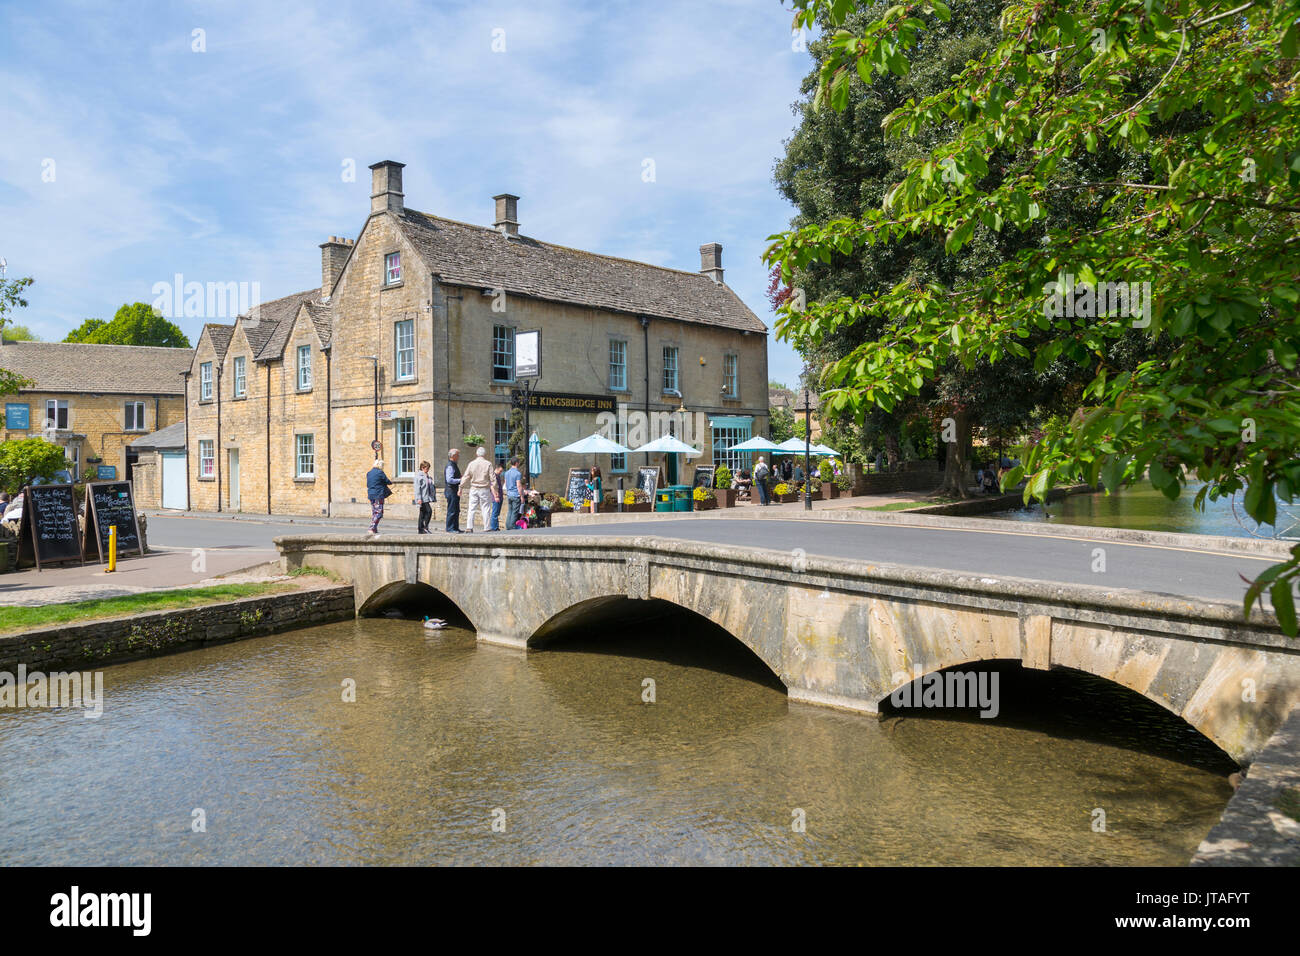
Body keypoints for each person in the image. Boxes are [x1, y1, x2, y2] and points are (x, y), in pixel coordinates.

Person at [462, 446, 494, 533]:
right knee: (485, 508)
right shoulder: (488, 464)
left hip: (474, 488)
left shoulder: (471, 464)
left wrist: (461, 487)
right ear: (485, 454)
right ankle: (487, 527)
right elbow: (493, 478)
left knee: (471, 508)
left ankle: (469, 527)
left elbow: (466, 476)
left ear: (476, 454)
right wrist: (496, 490)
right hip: (484, 488)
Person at [366, 459, 393, 535]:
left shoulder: (369, 473)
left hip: (371, 495)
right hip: (378, 495)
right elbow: (387, 481)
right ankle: (371, 528)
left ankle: (374, 528)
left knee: (374, 512)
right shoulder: (380, 472)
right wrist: (390, 482)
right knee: (379, 512)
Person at [413, 460, 436, 533]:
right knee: (429, 511)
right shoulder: (419, 476)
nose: (428, 470)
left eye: (428, 468)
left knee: (422, 513)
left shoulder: (427, 476)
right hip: (422, 498)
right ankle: (425, 527)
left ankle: (421, 529)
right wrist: (418, 498)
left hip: (427, 497)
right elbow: (417, 488)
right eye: (427, 468)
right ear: (422, 468)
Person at [444, 449, 462, 533]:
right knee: (452, 510)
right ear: (453, 456)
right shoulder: (450, 466)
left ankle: (455, 527)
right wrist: (460, 480)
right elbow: (449, 480)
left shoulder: (454, 465)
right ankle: (450, 528)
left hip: (454, 491)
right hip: (451, 491)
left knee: (456, 510)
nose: (458, 457)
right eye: (458, 455)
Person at [503, 457, 523, 530]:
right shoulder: (518, 473)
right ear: (516, 463)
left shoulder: (506, 473)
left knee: (510, 511)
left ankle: (508, 526)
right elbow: (518, 485)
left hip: (509, 494)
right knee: (515, 512)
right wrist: (522, 496)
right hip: (515, 494)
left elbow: (505, 483)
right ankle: (512, 527)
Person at [489, 462, 505, 531]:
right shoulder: (494, 476)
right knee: (495, 513)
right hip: (496, 497)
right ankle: (493, 527)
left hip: (500, 497)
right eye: (500, 471)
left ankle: (496, 526)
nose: (501, 472)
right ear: (497, 468)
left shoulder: (497, 476)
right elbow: (492, 487)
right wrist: (496, 496)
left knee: (497, 513)